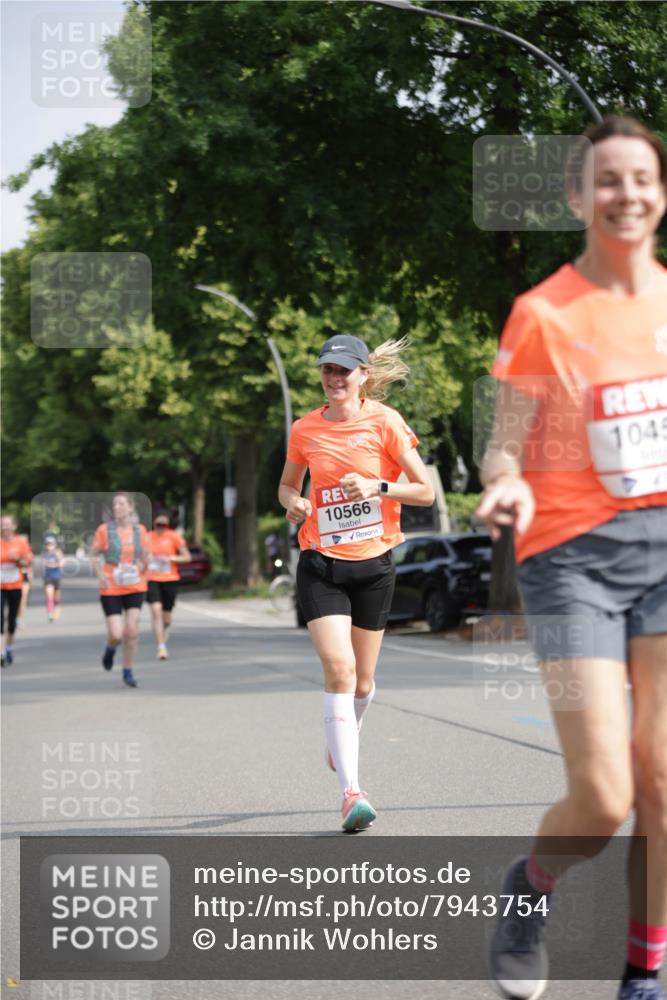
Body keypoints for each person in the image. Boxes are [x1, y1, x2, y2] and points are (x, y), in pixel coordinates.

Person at [476, 116, 667, 1000]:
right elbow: (502, 447)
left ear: (659, 193)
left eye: (640, 178)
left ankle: (645, 972)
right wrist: (507, 483)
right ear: (575, 197)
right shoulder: (543, 313)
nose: (624, 194)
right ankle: (531, 886)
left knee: (661, 782)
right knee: (602, 798)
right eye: (605, 181)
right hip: (572, 560)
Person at [278, 333, 434, 831]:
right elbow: (286, 484)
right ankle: (351, 792)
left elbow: (425, 492)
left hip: (373, 566)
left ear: (363, 375)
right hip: (321, 563)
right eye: (328, 369)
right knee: (340, 670)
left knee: (363, 683)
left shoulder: (385, 422)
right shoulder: (305, 428)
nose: (335, 378)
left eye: (344, 370)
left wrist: (378, 486)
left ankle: (340, 734)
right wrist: (293, 503)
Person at [90, 492, 150, 688]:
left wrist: (139, 567)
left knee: (131, 631)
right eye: (115, 505)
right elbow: (93, 555)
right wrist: (100, 576)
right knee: (116, 634)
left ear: (131, 507)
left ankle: (128, 670)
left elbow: (145, 556)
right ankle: (110, 649)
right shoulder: (104, 530)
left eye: (122, 504)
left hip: (134, 585)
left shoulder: (140, 531)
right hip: (112, 586)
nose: (118, 508)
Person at [145, 512, 190, 660]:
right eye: (158, 525)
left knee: (167, 618)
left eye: (164, 525)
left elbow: (187, 557)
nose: (161, 528)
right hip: (152, 578)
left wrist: (170, 558)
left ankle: (163, 633)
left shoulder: (174, 537)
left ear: (168, 525)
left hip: (170, 579)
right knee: (155, 611)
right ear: (154, 524)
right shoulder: (147, 537)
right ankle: (161, 647)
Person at [1, 515, 33, 666]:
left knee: (12, 621)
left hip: (15, 585)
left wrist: (18, 559)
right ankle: (1, 650)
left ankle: (8, 647)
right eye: (2, 525)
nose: (5, 527)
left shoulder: (21, 542)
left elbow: (28, 561)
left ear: (14, 526)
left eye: (7, 524)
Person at [42, 534, 65, 622]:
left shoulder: (57, 552)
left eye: (51, 544)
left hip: (56, 577)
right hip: (48, 577)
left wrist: (55, 564)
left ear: (54, 545)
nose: (49, 546)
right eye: (47, 544)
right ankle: (50, 614)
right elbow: (43, 564)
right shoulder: (45, 554)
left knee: (56, 597)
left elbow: (62, 563)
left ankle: (57, 607)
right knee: (49, 595)